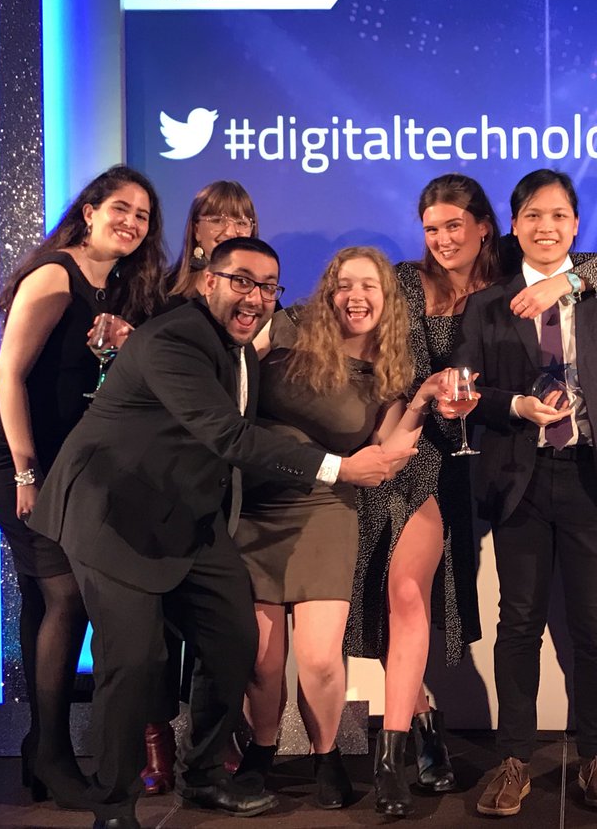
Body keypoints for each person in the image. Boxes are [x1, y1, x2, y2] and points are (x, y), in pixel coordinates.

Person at [29, 237, 415, 829]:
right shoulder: (176, 340)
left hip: (189, 512)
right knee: (133, 662)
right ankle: (114, 806)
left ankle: (205, 775)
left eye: (267, 287)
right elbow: (228, 438)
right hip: (113, 514)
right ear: (207, 280)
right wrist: (339, 467)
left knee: (234, 639)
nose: (255, 297)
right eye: (242, 281)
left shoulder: (240, 346)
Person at [345, 173, 597, 815]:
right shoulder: (408, 284)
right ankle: (427, 738)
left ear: (483, 228)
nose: (442, 238)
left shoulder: (529, 274)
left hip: (498, 465)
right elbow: (357, 319)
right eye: (431, 228)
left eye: (454, 225)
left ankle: (592, 755)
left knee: (565, 622)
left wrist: (571, 280)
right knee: (426, 603)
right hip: (424, 454)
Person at [452, 169, 597, 817]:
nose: (547, 227)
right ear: (514, 225)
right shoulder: (487, 304)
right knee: (519, 625)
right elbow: (462, 394)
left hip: (593, 480)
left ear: (575, 225)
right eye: (534, 216)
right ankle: (514, 758)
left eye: (559, 216)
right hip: (520, 482)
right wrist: (512, 403)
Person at [0, 165, 168, 807]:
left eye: (142, 215)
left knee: (40, 592)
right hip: (9, 451)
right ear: (88, 210)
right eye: (120, 209)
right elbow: (11, 374)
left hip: (56, 456)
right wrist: (27, 471)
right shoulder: (57, 274)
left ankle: (37, 749)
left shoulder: (116, 288)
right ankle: (53, 753)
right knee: (67, 593)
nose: (131, 222)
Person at [234, 247, 450, 811]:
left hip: (329, 507)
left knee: (321, 657)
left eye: (370, 287)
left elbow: (386, 454)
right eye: (345, 285)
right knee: (260, 657)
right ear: (328, 292)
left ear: (388, 301)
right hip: (255, 505)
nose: (356, 297)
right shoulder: (284, 335)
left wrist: (423, 400)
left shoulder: (389, 375)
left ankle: (325, 754)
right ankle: (261, 751)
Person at [140, 178, 260, 797]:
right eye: (217, 218)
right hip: (153, 492)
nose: (231, 226)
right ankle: (156, 741)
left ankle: (208, 746)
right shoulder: (158, 301)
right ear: (195, 232)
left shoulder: (256, 304)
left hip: (219, 490)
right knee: (154, 633)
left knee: (223, 630)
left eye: (242, 217)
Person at [167, 180, 258, 300]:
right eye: (217, 221)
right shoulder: (162, 291)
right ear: (196, 230)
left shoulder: (260, 292)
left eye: (241, 223)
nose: (229, 233)